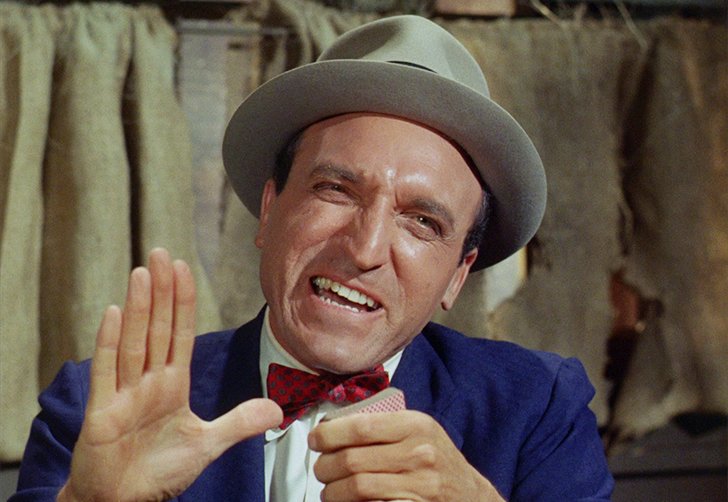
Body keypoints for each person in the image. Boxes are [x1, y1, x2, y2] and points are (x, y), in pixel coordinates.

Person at [11, 15, 613, 501]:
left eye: (422, 222)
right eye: (336, 190)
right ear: (270, 209)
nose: (365, 249)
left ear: (459, 273)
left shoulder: (539, 409)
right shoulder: (101, 407)